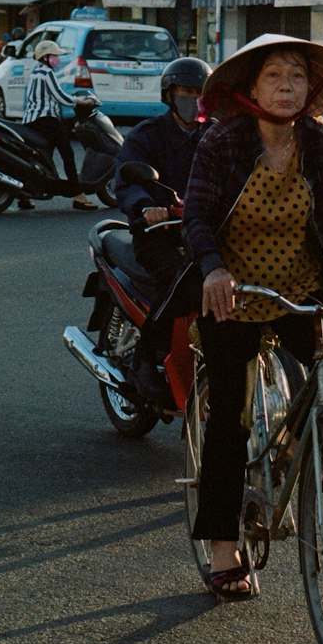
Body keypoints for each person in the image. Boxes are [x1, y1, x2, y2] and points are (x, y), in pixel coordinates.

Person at [182, 34, 323, 599]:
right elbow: (199, 217)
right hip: (233, 294)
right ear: (253, 88)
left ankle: (301, 448)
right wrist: (212, 269)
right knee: (229, 415)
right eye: (275, 77)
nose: (287, 87)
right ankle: (222, 546)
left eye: (297, 77)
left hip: (302, 288)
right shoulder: (224, 142)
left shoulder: (319, 139)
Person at [114, 56, 211, 401]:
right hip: (160, 233)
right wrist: (145, 207)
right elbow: (126, 181)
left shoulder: (217, 134)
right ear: (169, 94)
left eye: (199, 93)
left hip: (206, 232)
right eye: (185, 91)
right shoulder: (146, 136)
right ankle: (144, 357)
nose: (192, 99)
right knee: (182, 279)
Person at [20, 39, 96, 211]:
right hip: (45, 119)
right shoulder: (47, 73)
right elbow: (60, 96)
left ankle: (24, 195)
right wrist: (81, 102)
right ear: (45, 57)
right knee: (67, 153)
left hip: (30, 120)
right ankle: (78, 195)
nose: (57, 59)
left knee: (40, 156)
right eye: (54, 56)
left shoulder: (35, 72)